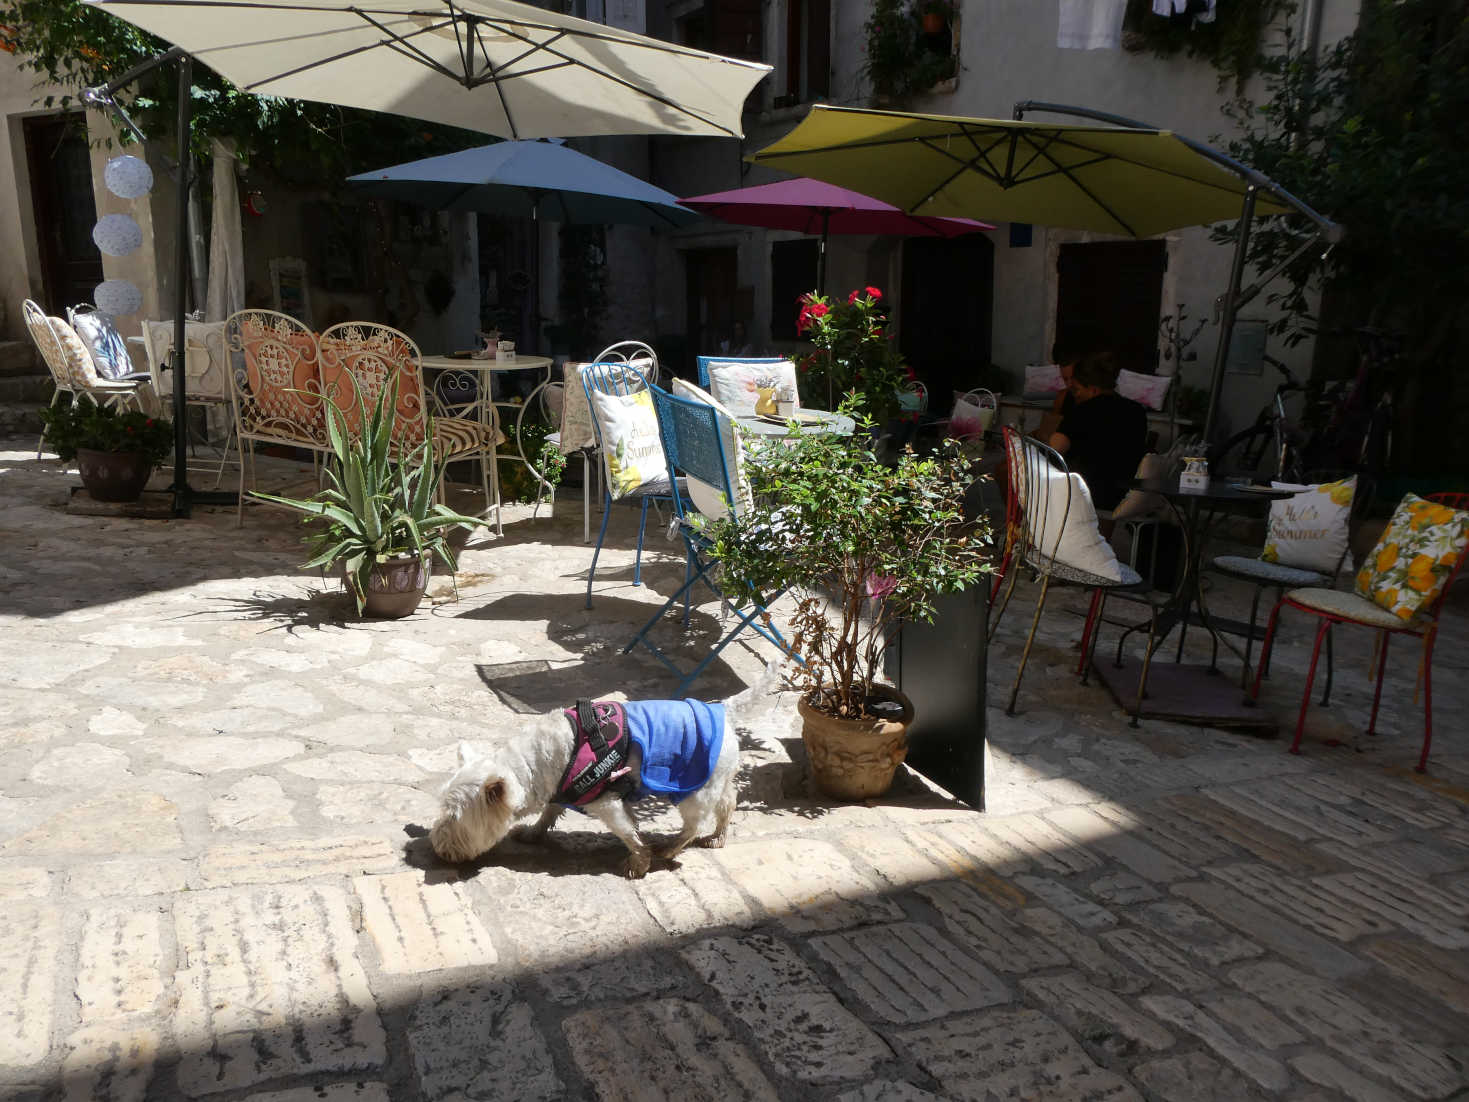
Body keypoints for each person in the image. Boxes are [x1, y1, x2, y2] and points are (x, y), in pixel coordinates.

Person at [1049, 349, 1147, 511]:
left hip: (1086, 492)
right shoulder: (1137, 411)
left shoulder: (1083, 411)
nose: (1076, 395)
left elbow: (1055, 449)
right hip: (1125, 495)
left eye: (1077, 390)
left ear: (1093, 389)